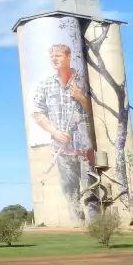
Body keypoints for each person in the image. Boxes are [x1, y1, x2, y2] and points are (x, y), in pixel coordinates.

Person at [31, 44, 95, 223]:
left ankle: (97, 227)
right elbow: (36, 113)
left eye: (58, 55)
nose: (54, 59)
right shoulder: (46, 84)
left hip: (84, 149)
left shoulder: (83, 81)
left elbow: (97, 112)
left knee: (91, 192)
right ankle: (77, 228)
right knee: (71, 195)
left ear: (68, 56)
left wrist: (82, 98)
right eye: (51, 56)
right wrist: (54, 131)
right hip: (62, 151)